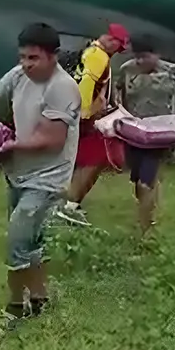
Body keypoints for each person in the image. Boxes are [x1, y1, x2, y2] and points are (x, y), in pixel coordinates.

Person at [0, 22, 80, 336]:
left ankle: (14, 308)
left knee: (16, 241)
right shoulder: (18, 75)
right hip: (19, 173)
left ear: (53, 56)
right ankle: (40, 298)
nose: (26, 64)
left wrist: (6, 147)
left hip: (47, 179)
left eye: (33, 58)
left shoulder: (62, 87)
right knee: (32, 242)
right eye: (23, 57)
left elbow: (52, 140)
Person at [116, 36, 175, 236]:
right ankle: (148, 212)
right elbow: (118, 88)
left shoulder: (173, 71)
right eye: (137, 57)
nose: (139, 61)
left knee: (145, 181)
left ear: (156, 55)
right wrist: (119, 104)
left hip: (161, 132)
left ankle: (145, 230)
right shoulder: (127, 69)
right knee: (138, 181)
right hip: (134, 131)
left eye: (144, 57)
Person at [56, 22, 129, 227]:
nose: (118, 50)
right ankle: (68, 206)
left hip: (70, 112)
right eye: (118, 45)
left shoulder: (90, 51)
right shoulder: (99, 57)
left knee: (79, 159)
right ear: (111, 40)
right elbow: (87, 84)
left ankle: (67, 203)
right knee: (95, 158)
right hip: (82, 117)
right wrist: (85, 115)